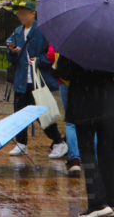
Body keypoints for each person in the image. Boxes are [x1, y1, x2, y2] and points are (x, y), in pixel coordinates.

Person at [6, 1, 67, 159]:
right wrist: (12, 52)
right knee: (19, 113)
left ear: (33, 14)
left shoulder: (42, 31)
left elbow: (52, 55)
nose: (22, 16)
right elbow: (10, 58)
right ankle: (21, 143)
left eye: (25, 13)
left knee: (42, 114)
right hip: (21, 80)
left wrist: (39, 60)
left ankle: (58, 141)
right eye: (19, 14)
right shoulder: (17, 32)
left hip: (37, 81)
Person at [56, 54, 114, 217]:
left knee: (87, 151)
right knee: (107, 151)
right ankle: (110, 201)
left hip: (84, 103)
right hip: (108, 101)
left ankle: (98, 204)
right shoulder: (109, 41)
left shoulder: (74, 44)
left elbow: (65, 73)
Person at [48, 44, 81, 176]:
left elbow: (51, 55)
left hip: (66, 80)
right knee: (92, 121)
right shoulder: (95, 36)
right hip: (88, 82)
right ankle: (95, 157)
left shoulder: (64, 35)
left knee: (70, 120)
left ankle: (74, 160)